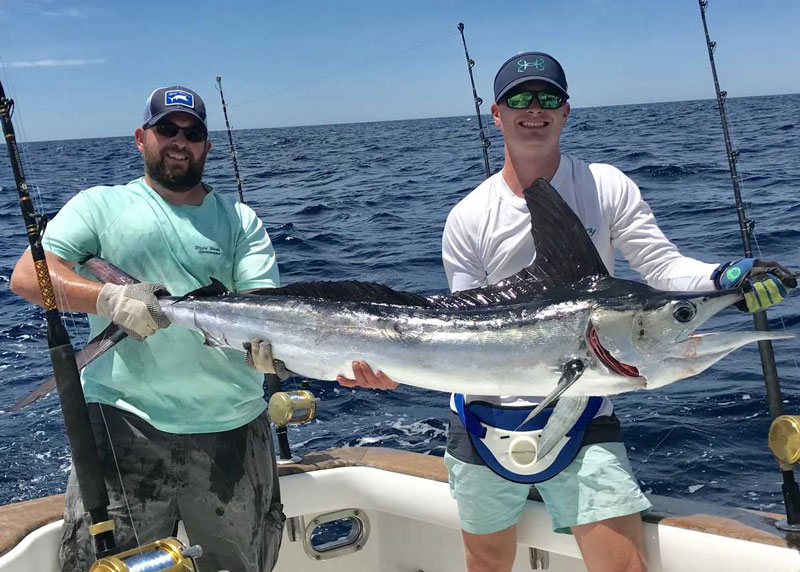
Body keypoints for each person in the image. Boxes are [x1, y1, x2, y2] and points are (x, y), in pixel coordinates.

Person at [339, 52, 794, 572]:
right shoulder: (468, 216)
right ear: (496, 114)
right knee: (486, 564)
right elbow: (457, 327)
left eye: (548, 98)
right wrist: (387, 368)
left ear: (566, 112)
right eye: (520, 99)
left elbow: (663, 269)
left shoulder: (606, 186)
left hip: (585, 413)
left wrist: (724, 279)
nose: (535, 110)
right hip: (481, 421)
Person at [10, 85, 285, 571]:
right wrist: (106, 297)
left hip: (233, 430)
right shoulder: (99, 205)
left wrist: (272, 350)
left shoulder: (241, 222)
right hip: (124, 427)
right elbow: (28, 276)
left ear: (207, 146)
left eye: (193, 132)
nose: (180, 140)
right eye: (167, 129)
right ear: (142, 137)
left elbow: (264, 309)